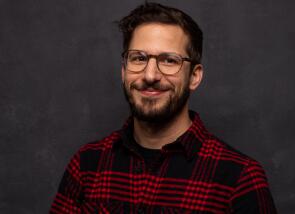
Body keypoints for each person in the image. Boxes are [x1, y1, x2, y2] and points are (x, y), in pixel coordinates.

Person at [50, 2, 277, 213]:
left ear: (194, 77)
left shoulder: (239, 178)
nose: (150, 75)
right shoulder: (87, 165)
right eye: (138, 58)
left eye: (169, 60)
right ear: (123, 70)